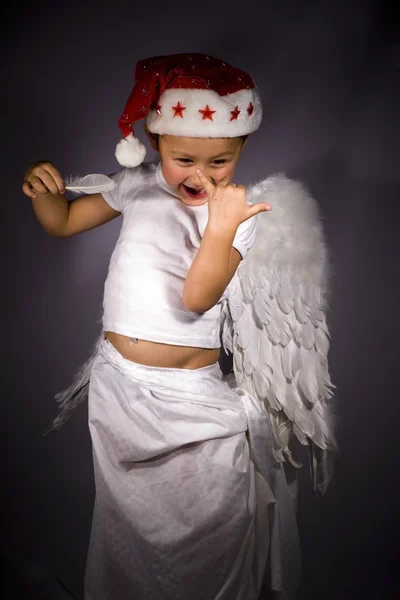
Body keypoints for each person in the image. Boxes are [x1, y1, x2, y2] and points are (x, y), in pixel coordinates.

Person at [23, 53, 334, 600]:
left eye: (220, 162)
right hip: (122, 394)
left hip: (192, 403)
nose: (201, 175)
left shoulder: (239, 221)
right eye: (183, 158)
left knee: (208, 533)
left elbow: (197, 297)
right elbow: (65, 221)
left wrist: (222, 226)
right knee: (131, 535)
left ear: (241, 150)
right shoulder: (137, 186)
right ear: (155, 141)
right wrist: (45, 194)